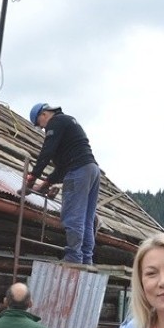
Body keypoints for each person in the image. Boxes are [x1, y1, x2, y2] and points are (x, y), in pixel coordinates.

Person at [26, 103, 101, 266]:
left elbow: (47, 151)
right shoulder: (68, 122)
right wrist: (46, 182)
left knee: (72, 215)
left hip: (78, 172)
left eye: (39, 124)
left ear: (44, 114)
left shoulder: (55, 123)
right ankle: (86, 259)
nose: (42, 128)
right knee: (87, 219)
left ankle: (74, 257)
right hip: (92, 170)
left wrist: (32, 176)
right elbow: (62, 167)